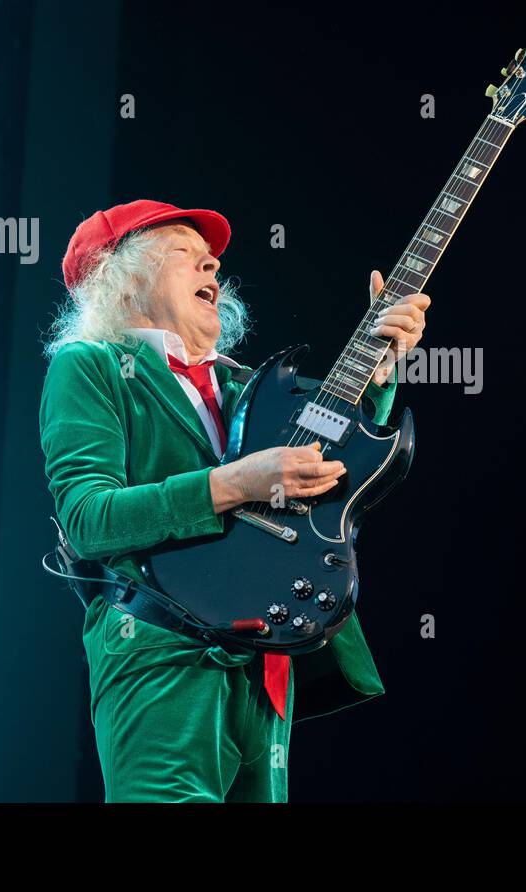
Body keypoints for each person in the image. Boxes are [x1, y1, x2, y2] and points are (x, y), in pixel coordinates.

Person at [38, 199, 430, 801]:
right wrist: (235, 484)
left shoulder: (251, 386)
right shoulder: (90, 366)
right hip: (158, 646)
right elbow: (89, 519)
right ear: (123, 278)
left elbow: (331, 481)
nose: (212, 270)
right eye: (187, 258)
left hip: (264, 657)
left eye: (214, 263)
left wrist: (376, 377)